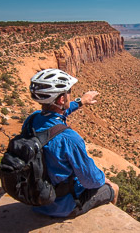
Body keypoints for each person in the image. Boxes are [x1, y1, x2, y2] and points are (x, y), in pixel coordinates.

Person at [24, 68, 119, 218]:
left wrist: (81, 101)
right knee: (112, 187)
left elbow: (57, 115)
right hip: (63, 205)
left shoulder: (31, 120)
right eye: (69, 91)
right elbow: (90, 181)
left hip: (37, 197)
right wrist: (103, 179)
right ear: (61, 99)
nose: (71, 94)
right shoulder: (69, 138)